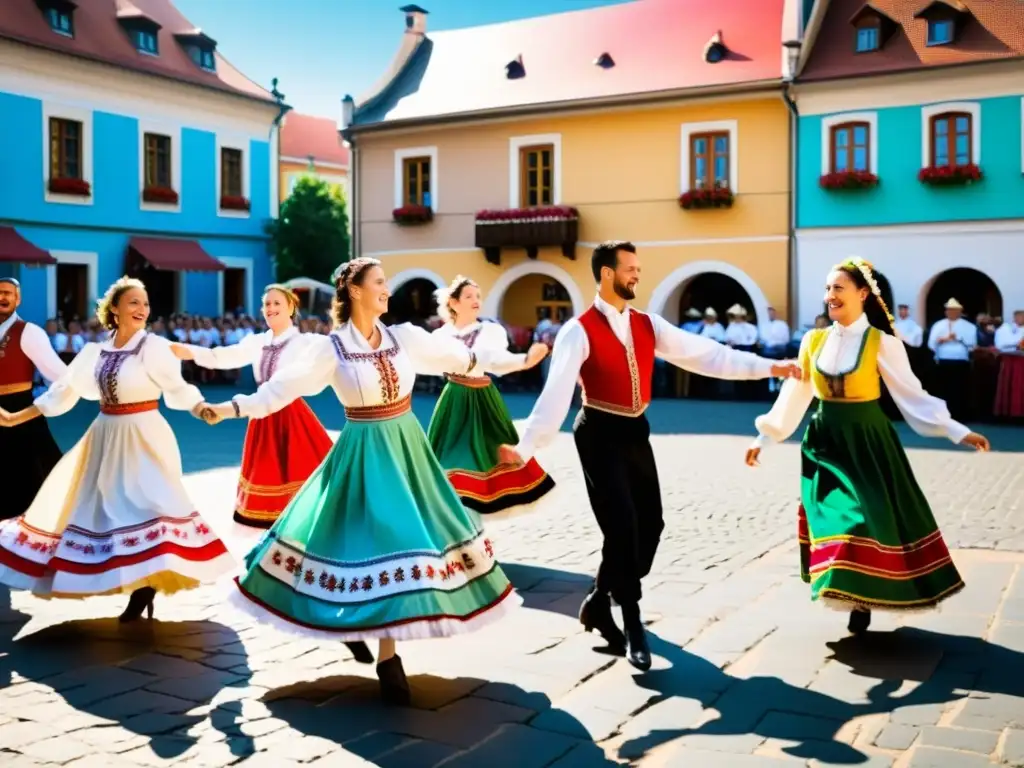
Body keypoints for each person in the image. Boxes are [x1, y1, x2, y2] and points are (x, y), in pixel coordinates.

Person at [199, 257, 520, 705]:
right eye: (381, 283)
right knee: (372, 542)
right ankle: (380, 648)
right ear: (355, 292)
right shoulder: (329, 349)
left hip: (407, 449)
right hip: (362, 450)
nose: (388, 290)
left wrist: (501, 363)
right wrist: (231, 408)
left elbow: (454, 355)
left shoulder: (403, 337)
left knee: (410, 539)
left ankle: (388, 653)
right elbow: (279, 390)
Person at [496, 241, 801, 670]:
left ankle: (601, 599)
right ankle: (632, 621)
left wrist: (770, 367)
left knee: (651, 525)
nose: (638, 274)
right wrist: (527, 445)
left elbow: (708, 356)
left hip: (635, 430)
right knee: (621, 528)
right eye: (630, 268)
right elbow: (555, 397)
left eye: (638, 267)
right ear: (606, 274)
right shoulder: (578, 330)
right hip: (598, 432)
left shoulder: (648, 324)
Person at [746, 257, 990, 635]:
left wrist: (957, 431)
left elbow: (913, 395)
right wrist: (765, 437)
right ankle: (851, 594)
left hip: (869, 442)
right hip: (825, 443)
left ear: (862, 294)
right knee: (838, 517)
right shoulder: (813, 340)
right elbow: (796, 394)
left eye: (838, 288)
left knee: (866, 518)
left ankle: (862, 595)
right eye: (827, 289)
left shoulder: (882, 342)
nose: (830, 296)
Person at [0, 277, 234, 621]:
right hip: (105, 434)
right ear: (115, 309)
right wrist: (17, 417)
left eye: (146, 303)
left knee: (146, 506)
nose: (142, 309)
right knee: (103, 509)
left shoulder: (152, 347)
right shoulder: (96, 351)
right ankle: (134, 581)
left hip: (144, 435)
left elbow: (177, 386)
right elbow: (64, 390)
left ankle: (144, 586)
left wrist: (201, 408)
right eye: (134, 303)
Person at [170, 284, 333, 532]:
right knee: (267, 471)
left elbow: (333, 349)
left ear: (291, 307)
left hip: (292, 415)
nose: (271, 308)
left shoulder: (305, 342)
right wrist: (191, 352)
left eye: (277, 303)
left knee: (300, 470)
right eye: (267, 304)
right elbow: (224, 356)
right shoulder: (257, 341)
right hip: (260, 416)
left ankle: (304, 525)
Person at [426, 276, 552, 516]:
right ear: (453, 303)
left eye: (478, 296)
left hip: (482, 400)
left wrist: (524, 361)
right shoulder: (440, 336)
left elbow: (495, 360)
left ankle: (475, 526)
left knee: (486, 460)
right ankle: (457, 522)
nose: (476, 301)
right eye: (469, 296)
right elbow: (425, 363)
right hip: (453, 400)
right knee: (450, 460)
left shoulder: (489, 331)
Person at [0, 278, 67, 520]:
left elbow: (61, 377)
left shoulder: (29, 332)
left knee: (29, 481)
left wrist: (42, 406)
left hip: (19, 414)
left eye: (8, 293)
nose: (2, 298)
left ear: (18, 299)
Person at [926, 298, 977, 421]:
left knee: (959, 388)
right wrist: (943, 339)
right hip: (944, 360)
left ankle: (960, 415)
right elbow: (931, 344)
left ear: (960, 311)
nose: (951, 312)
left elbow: (972, 345)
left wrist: (958, 338)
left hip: (960, 360)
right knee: (944, 388)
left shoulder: (969, 326)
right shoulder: (938, 325)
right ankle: (943, 415)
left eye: (954, 310)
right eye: (949, 310)